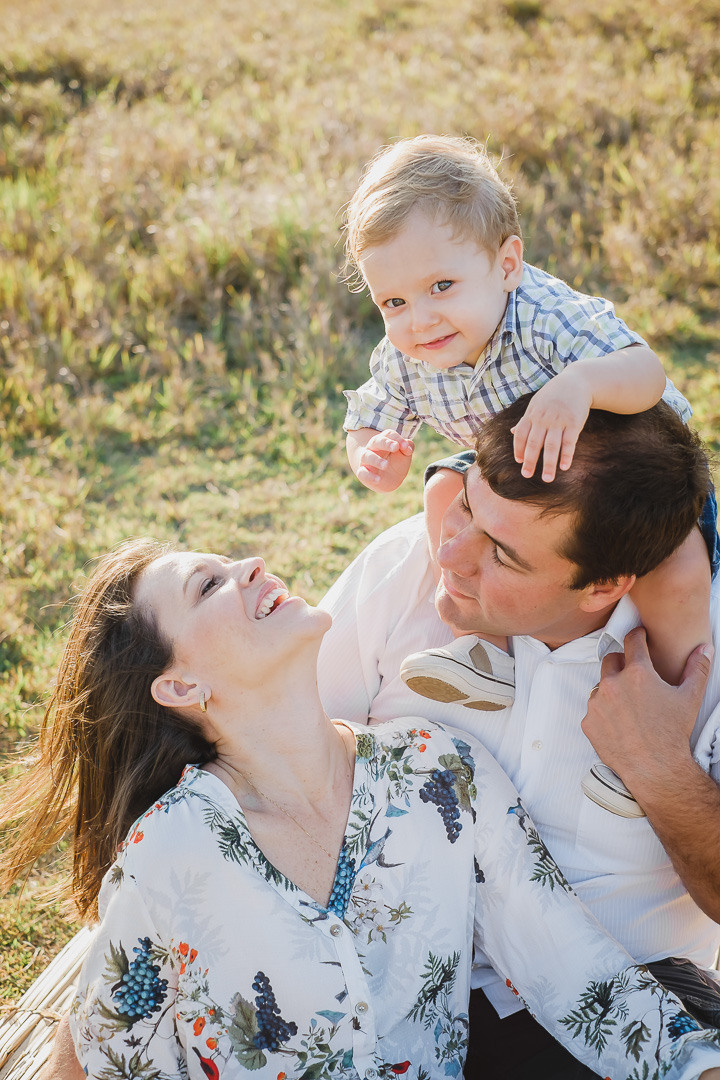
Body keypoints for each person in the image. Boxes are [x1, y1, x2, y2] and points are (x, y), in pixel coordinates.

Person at [4, 540, 720, 1080]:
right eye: (209, 584)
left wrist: (697, 1068)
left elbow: (570, 969)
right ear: (180, 684)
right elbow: (98, 1053)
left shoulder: (441, 770)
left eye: (233, 561)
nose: (251, 564)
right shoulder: (172, 851)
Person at [318, 395, 720, 1077]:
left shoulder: (697, 648)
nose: (451, 551)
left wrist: (660, 770)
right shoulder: (405, 566)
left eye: (502, 554)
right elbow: (268, 750)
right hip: (384, 969)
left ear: (603, 586)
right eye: (468, 505)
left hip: (632, 981)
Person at [341, 133, 713, 717]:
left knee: (677, 574)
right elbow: (369, 416)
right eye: (393, 303)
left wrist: (582, 384)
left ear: (507, 264)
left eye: (441, 286)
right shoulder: (405, 356)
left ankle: (667, 709)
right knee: (441, 489)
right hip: (520, 481)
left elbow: (646, 370)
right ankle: (489, 654)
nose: (420, 319)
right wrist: (372, 456)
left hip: (632, 479)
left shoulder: (544, 318)